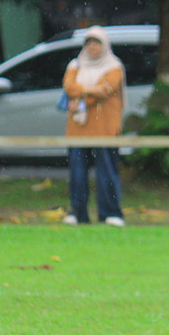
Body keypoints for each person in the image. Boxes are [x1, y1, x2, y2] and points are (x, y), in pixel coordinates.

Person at [61, 25, 126, 226]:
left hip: (105, 128)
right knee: (77, 173)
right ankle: (77, 213)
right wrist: (91, 91)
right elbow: (68, 87)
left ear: (104, 45)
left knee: (107, 172)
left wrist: (80, 95)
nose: (93, 47)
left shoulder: (114, 66)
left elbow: (106, 90)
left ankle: (110, 213)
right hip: (78, 128)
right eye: (89, 43)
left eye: (97, 43)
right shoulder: (75, 64)